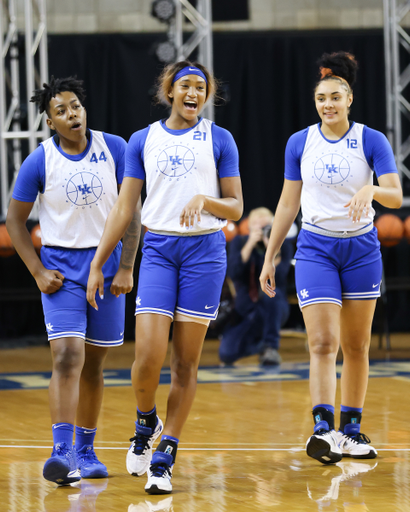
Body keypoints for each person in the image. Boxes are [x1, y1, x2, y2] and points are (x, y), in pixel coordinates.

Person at [86, 61, 243, 494]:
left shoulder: (219, 138)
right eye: (185, 85)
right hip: (158, 250)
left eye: (201, 86)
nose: (194, 92)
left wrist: (204, 199)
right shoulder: (143, 140)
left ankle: (166, 451)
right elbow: (124, 208)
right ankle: (145, 420)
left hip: (205, 252)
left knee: (185, 362)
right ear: (169, 91)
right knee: (147, 360)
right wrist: (101, 262)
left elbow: (236, 207)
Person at [260, 51, 402, 464]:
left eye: (336, 97)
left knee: (356, 346)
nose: (328, 104)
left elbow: (394, 193)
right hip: (316, 249)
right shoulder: (300, 142)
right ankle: (324, 429)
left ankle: (352, 430)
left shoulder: (371, 140)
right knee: (323, 343)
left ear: (349, 99)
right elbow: (288, 204)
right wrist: (271, 256)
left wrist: (371, 190)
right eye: (322, 98)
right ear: (315, 101)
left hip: (361, 249)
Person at [6, 76, 140, 484]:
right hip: (63, 272)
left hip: (108, 267)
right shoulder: (40, 160)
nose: (72, 114)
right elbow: (14, 220)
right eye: (61, 111)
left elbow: (132, 213)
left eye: (76, 106)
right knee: (66, 356)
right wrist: (37, 270)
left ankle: (86, 448)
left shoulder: (114, 147)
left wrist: (126, 266)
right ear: (50, 122)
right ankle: (62, 451)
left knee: (94, 365)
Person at [219, 207, 293, 366]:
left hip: (275, 306)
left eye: (266, 227)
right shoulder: (239, 242)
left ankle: (271, 347)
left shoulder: (284, 245)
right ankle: (262, 347)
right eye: (257, 227)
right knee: (226, 354)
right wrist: (250, 243)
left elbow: (280, 276)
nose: (261, 231)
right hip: (246, 309)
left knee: (269, 292)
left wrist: (272, 249)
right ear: (249, 226)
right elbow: (233, 272)